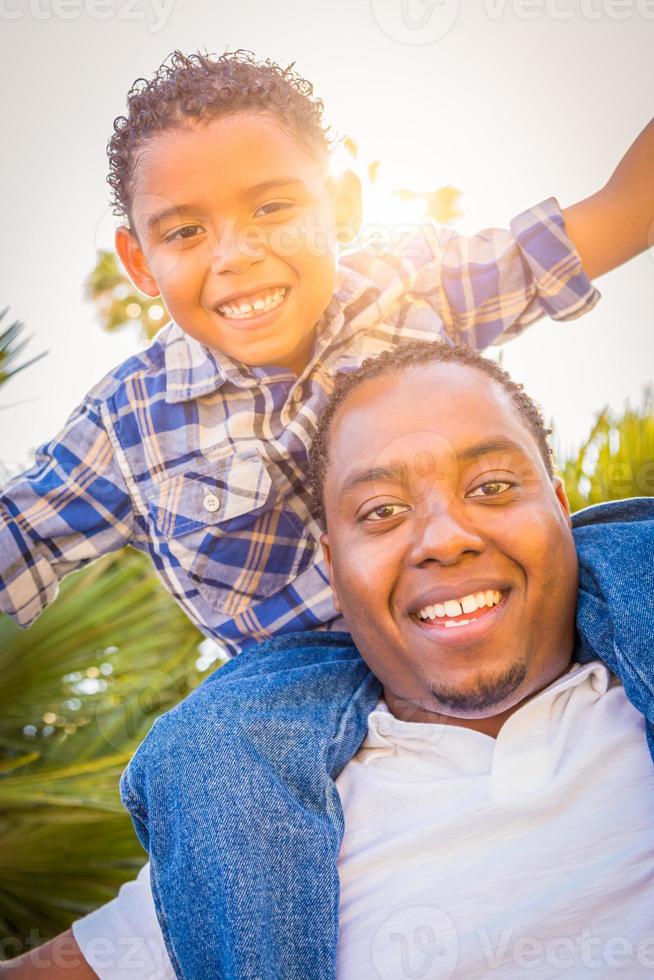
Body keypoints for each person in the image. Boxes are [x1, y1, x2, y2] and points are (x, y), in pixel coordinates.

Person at [1, 45, 653, 975]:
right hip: (301, 673)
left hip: (506, 582)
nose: (238, 254)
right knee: (210, 745)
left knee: (640, 557)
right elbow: (18, 533)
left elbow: (606, 220)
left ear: (340, 203)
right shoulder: (127, 422)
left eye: (273, 206)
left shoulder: (410, 285)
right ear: (138, 261)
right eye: (185, 232)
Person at [115, 342, 654, 979]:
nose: (446, 538)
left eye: (493, 486)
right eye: (383, 511)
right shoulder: (241, 834)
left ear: (560, 512)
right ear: (334, 569)